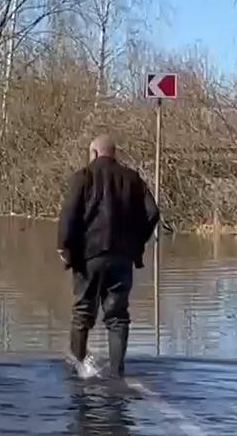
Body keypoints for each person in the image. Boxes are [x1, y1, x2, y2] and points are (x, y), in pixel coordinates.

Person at [57, 135, 160, 378]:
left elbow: (69, 215)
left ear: (94, 153)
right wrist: (137, 242)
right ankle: (117, 371)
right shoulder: (132, 178)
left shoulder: (83, 177)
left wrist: (64, 248)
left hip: (89, 256)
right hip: (122, 256)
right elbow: (153, 213)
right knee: (117, 316)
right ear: (114, 153)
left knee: (83, 312)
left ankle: (78, 368)